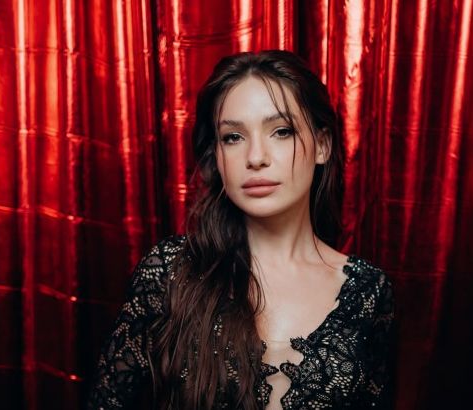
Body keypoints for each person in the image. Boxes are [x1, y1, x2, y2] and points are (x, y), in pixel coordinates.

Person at [87, 50, 395, 410]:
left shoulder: (368, 291)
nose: (256, 157)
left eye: (281, 131)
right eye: (233, 137)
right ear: (217, 157)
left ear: (322, 146)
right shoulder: (170, 272)